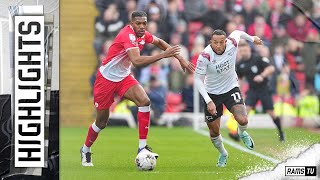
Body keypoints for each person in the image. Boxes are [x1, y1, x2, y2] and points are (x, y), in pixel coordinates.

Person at [80, 11, 194, 166]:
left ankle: (142, 147)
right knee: (101, 122)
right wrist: (163, 55)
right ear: (131, 23)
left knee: (144, 101)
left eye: (144, 23)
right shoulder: (127, 35)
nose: (141, 26)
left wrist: (180, 58)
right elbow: (137, 61)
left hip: (124, 78)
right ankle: (85, 149)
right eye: (138, 23)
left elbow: (159, 42)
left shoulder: (142, 34)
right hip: (106, 80)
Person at [194, 29, 263, 167]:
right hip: (212, 93)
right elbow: (197, 80)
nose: (218, 46)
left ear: (225, 41)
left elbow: (238, 32)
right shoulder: (205, 56)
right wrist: (209, 101)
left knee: (242, 119)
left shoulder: (232, 43)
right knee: (214, 131)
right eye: (215, 43)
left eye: (221, 42)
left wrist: (251, 38)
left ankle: (242, 132)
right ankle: (223, 153)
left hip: (231, 88)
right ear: (210, 42)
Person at [237, 40, 285, 142]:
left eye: (244, 50)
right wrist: (240, 93)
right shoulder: (240, 64)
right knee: (245, 112)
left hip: (264, 89)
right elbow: (240, 79)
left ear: (249, 49)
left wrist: (262, 76)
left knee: (271, 113)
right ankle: (239, 134)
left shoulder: (258, 59)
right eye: (241, 51)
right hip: (252, 90)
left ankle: (281, 132)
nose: (243, 52)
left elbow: (271, 68)